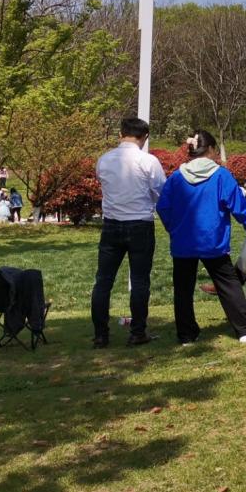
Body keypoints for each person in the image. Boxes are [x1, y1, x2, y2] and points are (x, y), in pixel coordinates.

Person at [156, 130, 246, 345]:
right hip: (212, 240)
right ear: (212, 149)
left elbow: (163, 206)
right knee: (228, 284)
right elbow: (238, 206)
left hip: (183, 241)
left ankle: (186, 335)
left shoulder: (177, 177)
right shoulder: (221, 175)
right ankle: (244, 330)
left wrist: (174, 229)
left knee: (183, 288)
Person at [91, 116, 167, 348]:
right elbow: (161, 191)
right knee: (140, 280)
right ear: (144, 137)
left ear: (121, 134)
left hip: (112, 224)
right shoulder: (148, 161)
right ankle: (137, 332)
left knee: (103, 281)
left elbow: (101, 182)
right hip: (140, 224)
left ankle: (101, 335)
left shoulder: (103, 160)